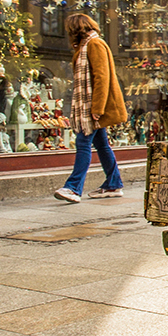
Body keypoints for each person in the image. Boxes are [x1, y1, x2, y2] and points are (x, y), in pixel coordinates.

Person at [54, 14, 126, 203]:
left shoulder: (94, 45)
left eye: (70, 30)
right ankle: (114, 184)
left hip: (92, 107)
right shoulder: (85, 46)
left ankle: (73, 188)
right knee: (101, 145)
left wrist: (98, 108)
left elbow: (102, 78)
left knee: (83, 143)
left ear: (76, 29)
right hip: (90, 105)